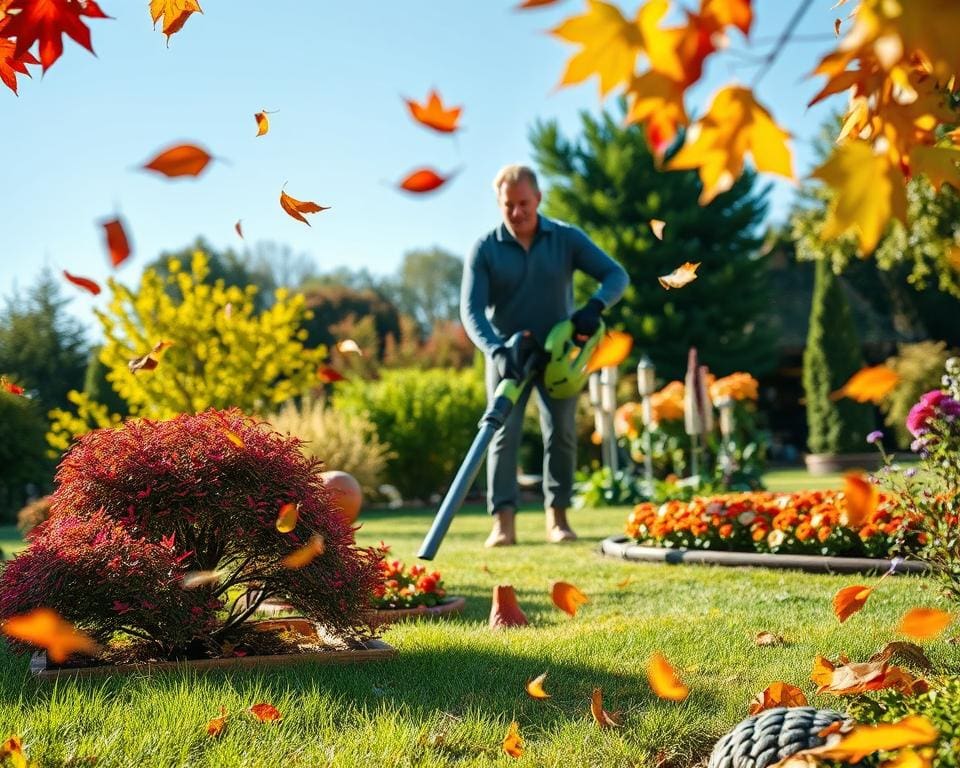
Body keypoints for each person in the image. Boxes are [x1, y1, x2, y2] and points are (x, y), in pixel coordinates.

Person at [461, 164, 629, 547]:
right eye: (509, 205)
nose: (517, 213)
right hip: (510, 356)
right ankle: (503, 524)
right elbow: (470, 311)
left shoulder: (565, 239)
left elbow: (616, 275)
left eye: (524, 203)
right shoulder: (485, 248)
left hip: (560, 356)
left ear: (538, 198)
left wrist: (595, 306)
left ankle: (559, 519)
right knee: (502, 435)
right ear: (499, 203)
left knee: (563, 434)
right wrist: (496, 350)